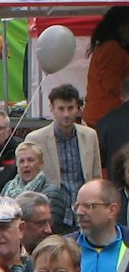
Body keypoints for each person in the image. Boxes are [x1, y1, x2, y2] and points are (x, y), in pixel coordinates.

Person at [20, 84, 101, 230]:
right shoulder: (35, 138)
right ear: (51, 108)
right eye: (61, 108)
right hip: (52, 214)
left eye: (70, 108)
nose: (66, 114)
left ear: (78, 108)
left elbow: (96, 177)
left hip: (84, 212)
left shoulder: (90, 135)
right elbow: (28, 181)